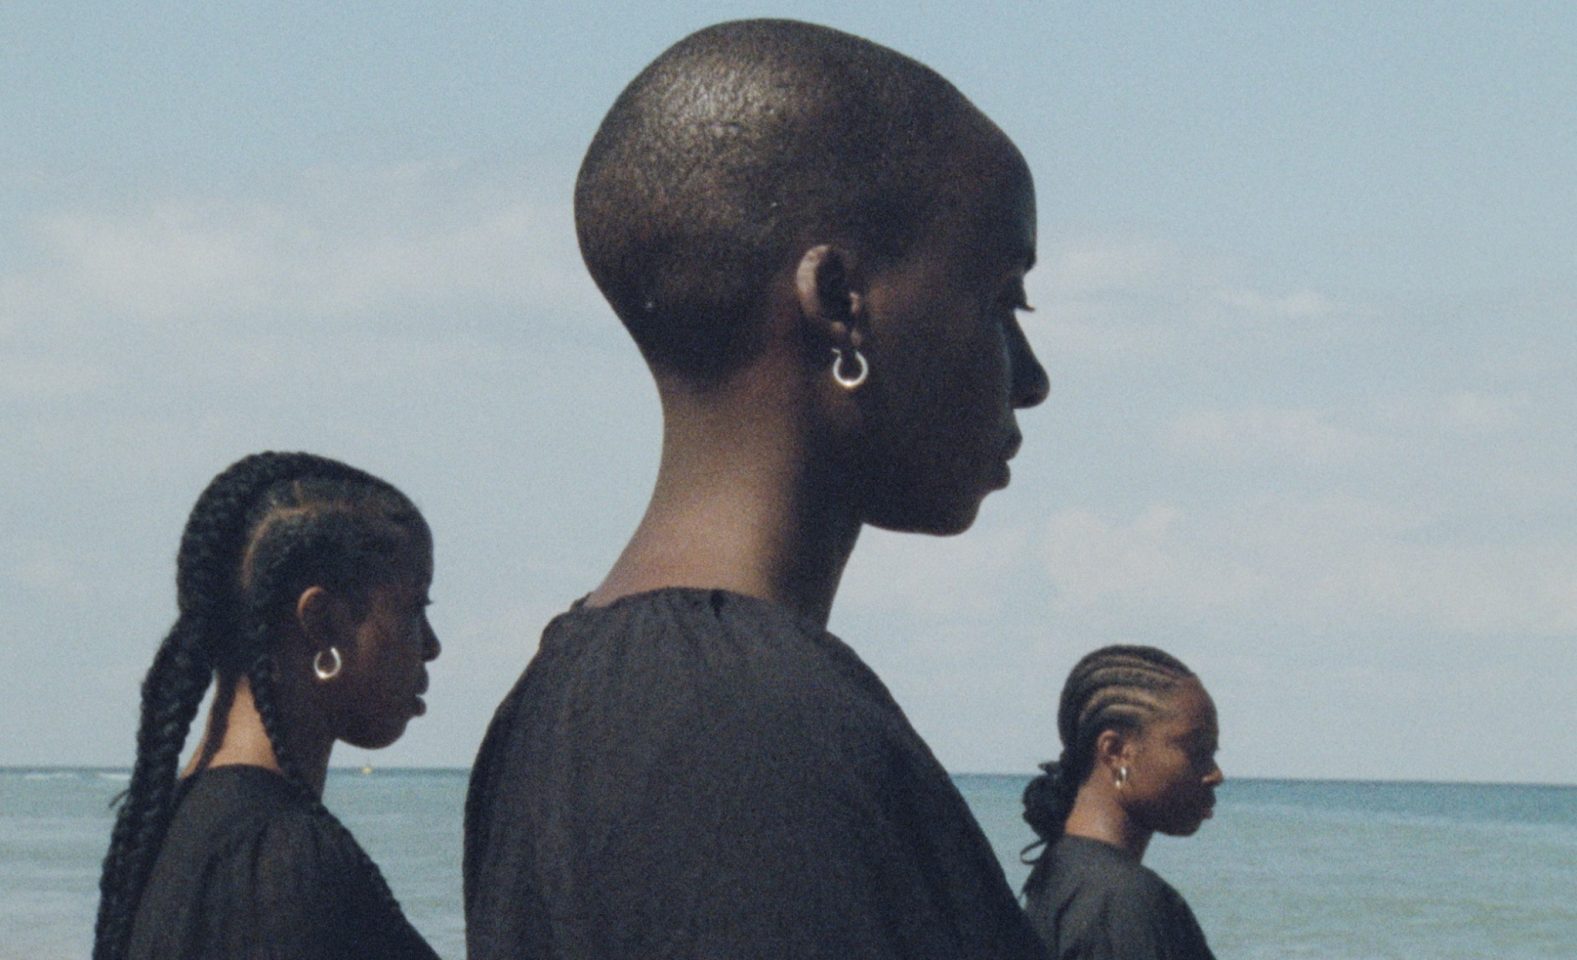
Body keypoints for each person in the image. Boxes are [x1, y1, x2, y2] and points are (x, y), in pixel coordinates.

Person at [464, 18, 1050, 960]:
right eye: (1002, 300)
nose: (1029, 376)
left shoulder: (562, 700)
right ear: (840, 300)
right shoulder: (744, 734)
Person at [92, 452, 442, 960]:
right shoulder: (282, 861)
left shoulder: (170, 831)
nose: (430, 645)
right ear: (321, 622)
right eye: (416, 607)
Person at [1020, 646, 1224, 960]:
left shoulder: (1062, 875)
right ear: (1115, 751)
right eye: (1196, 750)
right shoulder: (1123, 902)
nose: (1215, 774)